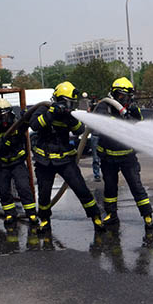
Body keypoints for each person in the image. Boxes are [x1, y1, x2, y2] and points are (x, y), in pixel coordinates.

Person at [29, 81, 105, 232]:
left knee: (81, 189)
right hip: (45, 161)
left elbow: (79, 130)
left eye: (71, 104)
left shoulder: (69, 115)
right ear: (59, 100)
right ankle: (44, 220)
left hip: (65, 160)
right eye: (67, 103)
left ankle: (96, 217)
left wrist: (69, 117)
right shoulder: (44, 108)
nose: (69, 106)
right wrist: (51, 114)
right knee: (44, 194)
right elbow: (34, 125)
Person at [92, 77, 153, 231]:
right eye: (122, 97)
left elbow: (139, 120)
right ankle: (111, 214)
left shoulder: (131, 107)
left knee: (136, 186)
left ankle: (147, 215)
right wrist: (123, 118)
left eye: (127, 97)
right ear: (115, 94)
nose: (125, 100)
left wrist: (133, 113)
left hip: (127, 157)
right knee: (110, 188)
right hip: (108, 157)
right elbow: (103, 122)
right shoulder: (104, 106)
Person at [0, 98, 38, 227]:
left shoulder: (17, 124)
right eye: (0, 115)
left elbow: (27, 124)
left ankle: (31, 213)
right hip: (1, 164)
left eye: (6, 114)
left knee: (24, 187)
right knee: (4, 190)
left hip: (17, 163)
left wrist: (26, 115)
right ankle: (10, 213)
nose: (4, 118)